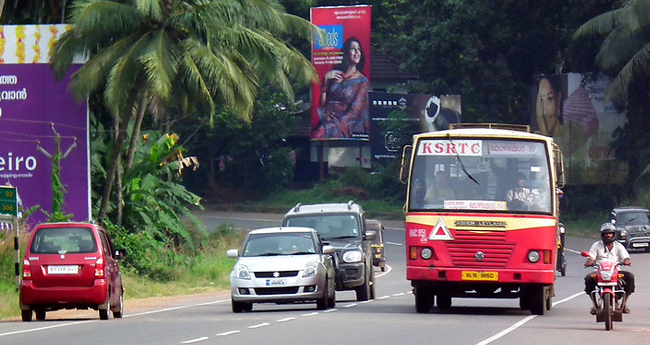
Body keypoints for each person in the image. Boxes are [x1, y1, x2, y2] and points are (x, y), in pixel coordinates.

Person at [313, 37, 370, 139]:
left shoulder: (362, 82)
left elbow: (354, 113)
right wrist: (325, 80)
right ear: (346, 53)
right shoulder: (335, 75)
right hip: (325, 117)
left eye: (359, 49)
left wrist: (333, 127)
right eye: (353, 48)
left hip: (342, 123)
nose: (357, 52)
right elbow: (322, 105)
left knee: (319, 135)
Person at [584, 223, 634, 314]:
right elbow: (591, 258)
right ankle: (595, 305)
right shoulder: (596, 245)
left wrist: (626, 261)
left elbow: (626, 257)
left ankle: (624, 304)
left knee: (630, 277)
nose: (608, 235)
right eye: (606, 233)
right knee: (588, 279)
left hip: (615, 271)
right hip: (600, 271)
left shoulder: (619, 246)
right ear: (602, 235)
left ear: (614, 234)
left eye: (610, 233)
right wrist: (589, 262)